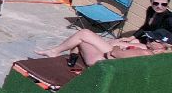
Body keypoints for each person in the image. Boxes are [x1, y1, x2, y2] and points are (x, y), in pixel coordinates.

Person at [39, 28, 172, 67]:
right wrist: (122, 43)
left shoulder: (145, 54)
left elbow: (115, 54)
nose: (148, 39)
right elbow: (120, 45)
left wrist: (117, 47)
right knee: (84, 35)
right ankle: (69, 59)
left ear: (161, 44)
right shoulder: (147, 49)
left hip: (102, 63)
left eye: (151, 39)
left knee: (83, 35)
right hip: (108, 60)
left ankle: (58, 54)